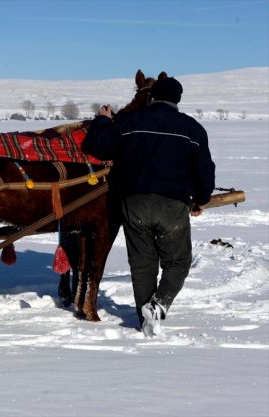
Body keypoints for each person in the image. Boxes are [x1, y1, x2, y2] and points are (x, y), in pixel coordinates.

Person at [82, 76, 216, 337]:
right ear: (177, 100)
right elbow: (204, 171)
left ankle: (146, 321)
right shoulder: (193, 129)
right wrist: (201, 199)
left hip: (134, 203)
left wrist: (102, 120)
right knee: (178, 261)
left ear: (152, 96)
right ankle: (158, 305)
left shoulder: (130, 122)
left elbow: (98, 145)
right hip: (173, 205)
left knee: (143, 265)